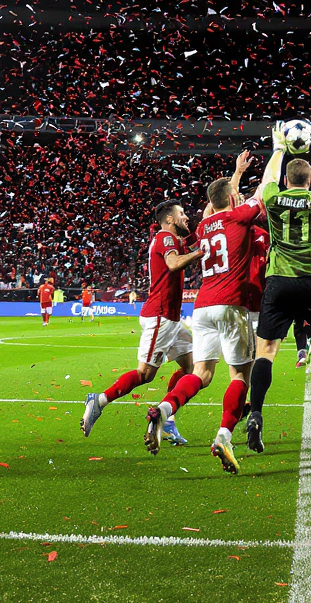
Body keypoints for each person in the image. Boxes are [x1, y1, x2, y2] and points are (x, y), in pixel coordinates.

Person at [149, 152, 261, 474]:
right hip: (231, 305)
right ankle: (224, 436)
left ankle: (164, 408)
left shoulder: (203, 227)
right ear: (232, 198)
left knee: (201, 374)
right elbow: (259, 193)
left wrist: (236, 174)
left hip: (202, 307)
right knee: (240, 375)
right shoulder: (238, 218)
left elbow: (220, 200)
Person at [243, 121, 311, 454]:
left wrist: (277, 148)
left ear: (287, 180)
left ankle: (256, 412)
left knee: (267, 353)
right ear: (310, 180)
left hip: (278, 281)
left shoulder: (273, 196)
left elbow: (266, 181)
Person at [82, 200, 204, 454]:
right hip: (159, 316)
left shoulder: (174, 239)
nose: (186, 218)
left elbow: (196, 236)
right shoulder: (165, 239)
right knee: (145, 374)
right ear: (169, 219)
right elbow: (173, 264)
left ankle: (166, 419)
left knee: (191, 367)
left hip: (171, 319)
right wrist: (197, 254)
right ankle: (99, 400)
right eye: (181, 214)